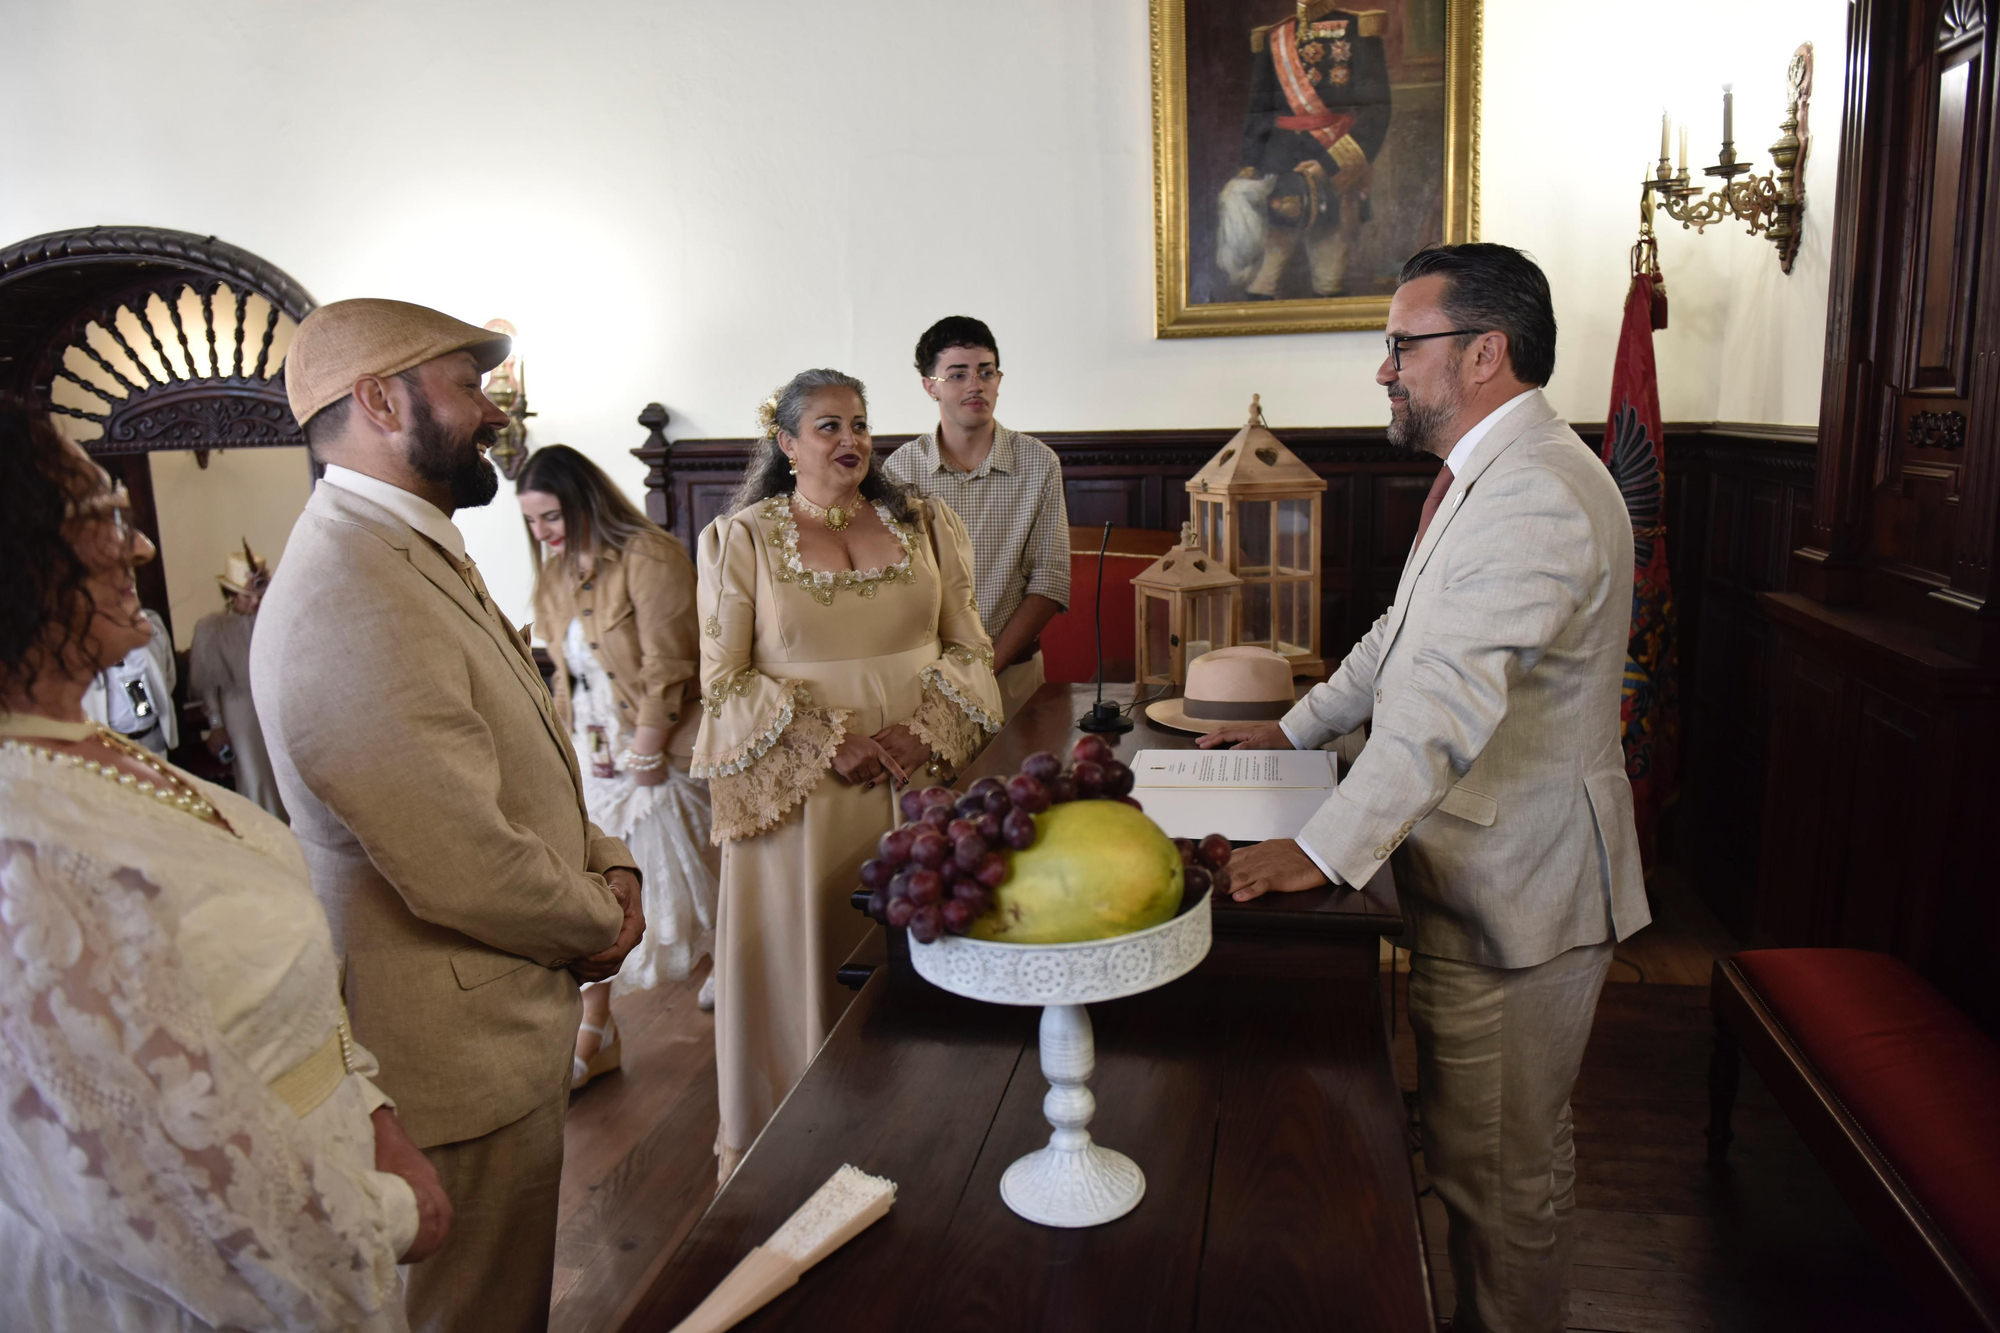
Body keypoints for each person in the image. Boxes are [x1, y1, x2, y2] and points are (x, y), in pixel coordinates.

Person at [1200, 244, 1649, 1332]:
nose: (1383, 370)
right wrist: (1291, 730)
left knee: (1498, 1179)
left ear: (1482, 352)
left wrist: (1317, 846)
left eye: (1402, 345)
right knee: (1468, 1153)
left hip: (1520, 894)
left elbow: (1442, 702)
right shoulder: (1487, 471)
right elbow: (1401, 641)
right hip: (1478, 869)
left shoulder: (1536, 490)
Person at [0, 397, 449, 1332]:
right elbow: (134, 1188)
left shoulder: (79, 746)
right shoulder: (22, 830)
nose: (141, 549)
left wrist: (370, 1114)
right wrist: (386, 1215)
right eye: (102, 517)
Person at [252, 300, 645, 1333]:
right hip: (444, 1061)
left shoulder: (406, 546)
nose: (490, 413)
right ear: (381, 400)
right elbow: (459, 856)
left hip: (496, 1026)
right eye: (465, 385)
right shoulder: (349, 582)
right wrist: (599, 920)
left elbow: (525, 738)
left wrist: (610, 856)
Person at [695, 369, 1002, 1181]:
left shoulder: (930, 525)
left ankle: (931, 1141)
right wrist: (826, 740)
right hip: (804, 795)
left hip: (918, 778)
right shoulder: (744, 541)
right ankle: (797, 1158)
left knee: (921, 959)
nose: (851, 439)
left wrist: (924, 729)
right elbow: (722, 680)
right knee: (812, 961)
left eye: (860, 423)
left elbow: (971, 648)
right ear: (788, 444)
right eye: (827, 426)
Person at [517, 444, 719, 1089]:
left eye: (551, 517)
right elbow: (562, 674)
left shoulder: (649, 556)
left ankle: (745, 996)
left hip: (654, 744)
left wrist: (649, 751)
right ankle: (597, 1030)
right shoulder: (553, 576)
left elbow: (671, 663)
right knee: (605, 888)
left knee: (691, 890)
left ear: (583, 503)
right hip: (593, 749)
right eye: (532, 522)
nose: (542, 533)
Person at [884, 317, 1068, 723]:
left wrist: (982, 669)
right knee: (934, 788)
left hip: (1013, 672)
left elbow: (1050, 581)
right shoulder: (901, 469)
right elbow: (893, 581)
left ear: (999, 379)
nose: (975, 385)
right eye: (958, 374)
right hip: (923, 678)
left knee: (1018, 785)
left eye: (986, 372)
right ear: (930, 385)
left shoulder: (1039, 463)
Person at [1220, 4, 1392, 300]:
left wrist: (1330, 164)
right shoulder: (1276, 38)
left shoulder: (1358, 30)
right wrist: (1250, 165)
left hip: (1335, 173)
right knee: (1263, 280)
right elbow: (1259, 113)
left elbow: (1378, 110)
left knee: (1329, 281)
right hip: (1281, 170)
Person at [189, 541, 286, 818]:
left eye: (257, 594)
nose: (254, 602)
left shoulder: (274, 619)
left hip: (275, 706)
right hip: (240, 710)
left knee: (285, 774)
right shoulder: (211, 628)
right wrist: (216, 725)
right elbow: (209, 686)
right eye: (246, 597)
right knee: (256, 775)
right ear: (230, 593)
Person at [81, 605, 178, 757]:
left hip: (151, 738)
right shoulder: (81, 634)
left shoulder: (149, 621)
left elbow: (168, 674)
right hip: (110, 744)